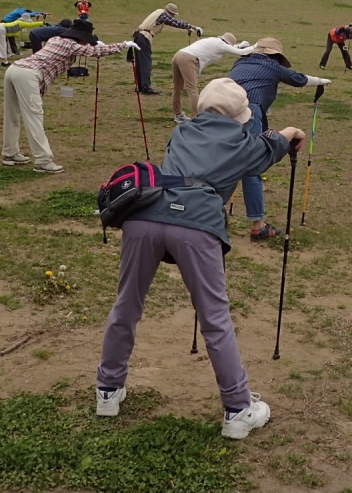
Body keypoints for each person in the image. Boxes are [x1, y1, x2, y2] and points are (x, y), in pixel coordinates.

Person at [96, 77, 303, 439]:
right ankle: (238, 410)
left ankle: (107, 391)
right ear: (242, 116)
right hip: (196, 226)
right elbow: (275, 145)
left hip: (143, 217)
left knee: (127, 304)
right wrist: (292, 130)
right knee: (215, 317)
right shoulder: (246, 143)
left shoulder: (182, 131)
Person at [229, 38, 331, 240]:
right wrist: (321, 81)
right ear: (275, 55)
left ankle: (207, 214)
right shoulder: (272, 66)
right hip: (248, 112)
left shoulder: (240, 62)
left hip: (221, 111)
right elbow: (299, 79)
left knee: (224, 161)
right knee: (251, 166)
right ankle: (258, 226)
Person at [3, 29, 134, 173]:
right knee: (34, 117)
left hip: (14, 69)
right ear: (81, 39)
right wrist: (123, 45)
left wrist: (94, 44)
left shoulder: (55, 39)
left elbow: (86, 48)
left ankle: (10, 153)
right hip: (28, 76)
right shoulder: (72, 46)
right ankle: (43, 161)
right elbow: (95, 52)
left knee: (12, 115)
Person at [171, 31, 252, 123]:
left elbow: (230, 48)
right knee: (192, 89)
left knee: (177, 88)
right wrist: (257, 46)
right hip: (188, 59)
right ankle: (198, 118)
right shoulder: (221, 45)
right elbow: (241, 52)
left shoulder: (213, 40)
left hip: (179, 55)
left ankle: (178, 115)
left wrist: (239, 45)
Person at [131, 3, 201, 95]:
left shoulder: (158, 12)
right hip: (144, 37)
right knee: (145, 63)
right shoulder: (163, 15)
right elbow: (176, 23)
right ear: (170, 12)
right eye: (173, 14)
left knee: (140, 63)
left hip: (139, 36)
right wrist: (193, 27)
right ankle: (145, 87)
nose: (173, 16)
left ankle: (140, 86)